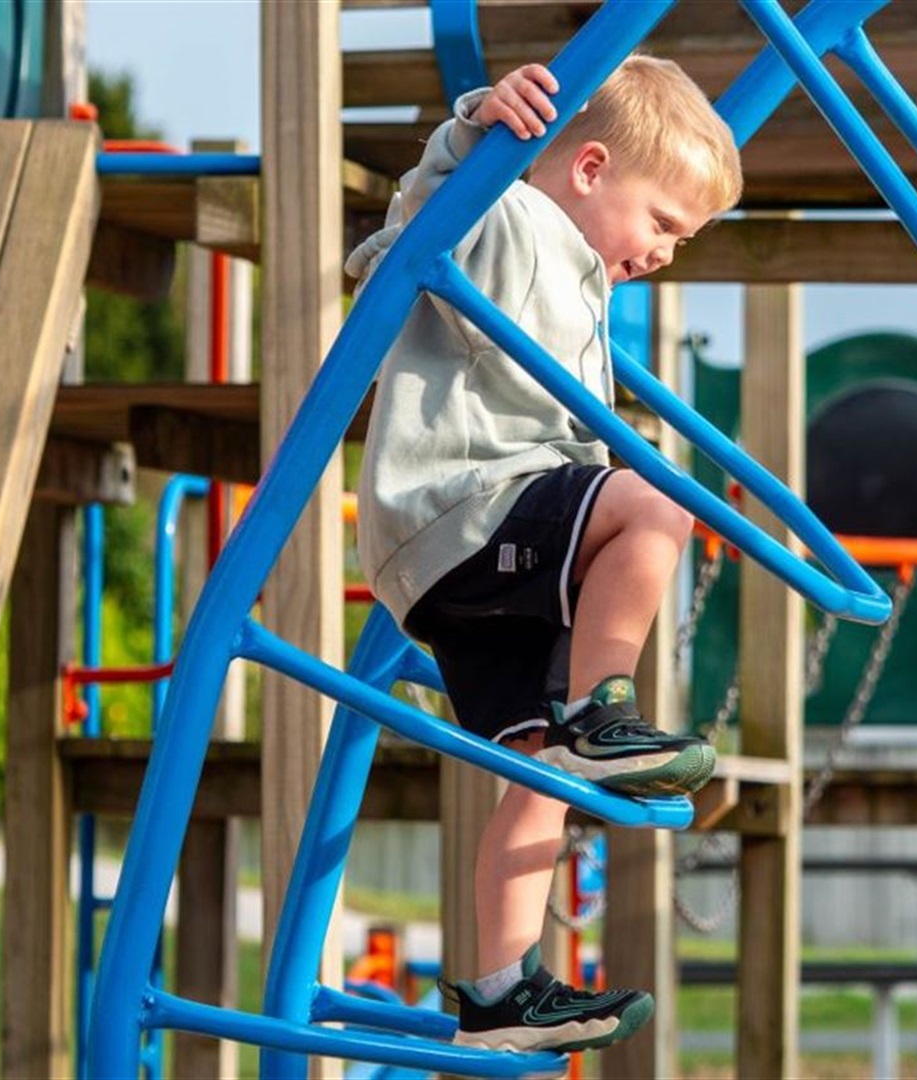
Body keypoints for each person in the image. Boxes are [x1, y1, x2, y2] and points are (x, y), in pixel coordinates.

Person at [344, 55, 744, 1053]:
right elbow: (415, 229)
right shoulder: (519, 220)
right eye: (662, 224)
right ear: (591, 166)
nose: (663, 254)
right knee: (654, 509)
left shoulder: (580, 280)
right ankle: (601, 710)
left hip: (479, 547)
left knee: (535, 771)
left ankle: (497, 994)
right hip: (468, 507)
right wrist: (476, 129)